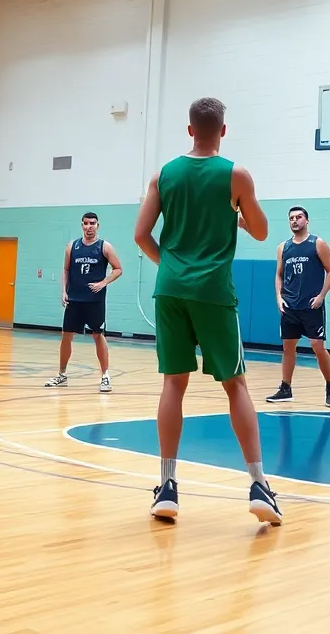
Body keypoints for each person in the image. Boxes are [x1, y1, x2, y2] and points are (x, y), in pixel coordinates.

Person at [134, 97, 282, 526]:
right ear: (223, 130)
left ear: (188, 130)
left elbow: (142, 235)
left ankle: (166, 487)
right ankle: (258, 485)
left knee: (173, 384)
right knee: (235, 384)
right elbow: (260, 232)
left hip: (171, 290)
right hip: (214, 292)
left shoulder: (163, 175)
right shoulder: (236, 174)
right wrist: (232, 213)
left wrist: (174, 268)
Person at [265, 206, 330, 408]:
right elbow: (279, 274)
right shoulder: (283, 247)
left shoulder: (318, 243)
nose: (294, 221)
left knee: (317, 346)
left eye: (298, 217)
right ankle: (285, 388)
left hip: (311, 305)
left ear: (307, 221)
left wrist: (321, 296)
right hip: (289, 306)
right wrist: (279, 297)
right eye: (291, 218)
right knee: (288, 347)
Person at [45, 212, 123, 392]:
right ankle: (62, 375)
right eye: (86, 223)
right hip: (74, 300)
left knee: (98, 335)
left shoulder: (104, 247)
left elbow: (118, 269)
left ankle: (105, 376)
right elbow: (65, 270)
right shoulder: (72, 246)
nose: (89, 227)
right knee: (66, 335)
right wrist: (64, 291)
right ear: (82, 225)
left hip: (94, 301)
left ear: (98, 225)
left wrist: (103, 283)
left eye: (93, 223)